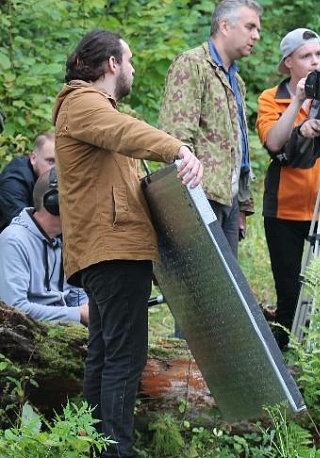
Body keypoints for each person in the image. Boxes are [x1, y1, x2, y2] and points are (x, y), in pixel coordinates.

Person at [53, 29, 203, 457]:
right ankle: (115, 449)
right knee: (123, 357)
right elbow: (126, 132)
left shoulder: (91, 110)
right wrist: (178, 149)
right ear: (111, 64)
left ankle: (95, 446)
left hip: (111, 249)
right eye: (130, 60)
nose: (133, 68)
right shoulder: (84, 103)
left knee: (104, 355)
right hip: (113, 250)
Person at [159, 0, 262, 258]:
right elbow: (176, 138)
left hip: (229, 201)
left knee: (229, 293)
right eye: (250, 27)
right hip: (199, 198)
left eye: (257, 29)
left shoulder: (236, 80)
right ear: (225, 26)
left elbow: (240, 149)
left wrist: (242, 205)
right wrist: (185, 206)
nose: (256, 36)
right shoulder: (192, 64)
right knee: (204, 291)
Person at [255, 28, 320, 350]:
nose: (315, 62)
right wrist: (299, 101)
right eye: (306, 56)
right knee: (288, 294)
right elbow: (274, 141)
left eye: (318, 54)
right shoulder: (271, 98)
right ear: (288, 62)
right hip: (284, 211)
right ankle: (285, 363)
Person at [0, 168, 89, 325]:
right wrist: (78, 314)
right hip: (27, 334)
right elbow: (13, 308)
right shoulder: (14, 240)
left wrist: (91, 308)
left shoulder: (65, 239)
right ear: (53, 203)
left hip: (63, 330)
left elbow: (74, 294)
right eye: (75, 199)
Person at [0, 132, 56, 232]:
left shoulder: (57, 178)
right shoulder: (13, 181)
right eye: (50, 161)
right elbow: (24, 225)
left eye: (60, 163)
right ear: (33, 158)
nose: (56, 169)